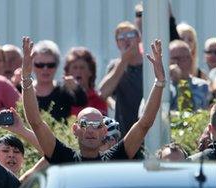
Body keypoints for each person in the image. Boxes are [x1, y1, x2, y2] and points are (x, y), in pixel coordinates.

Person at [24, 37, 165, 164]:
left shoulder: (115, 158)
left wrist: (159, 82)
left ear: (104, 131)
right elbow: (36, 122)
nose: (90, 130)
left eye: (96, 125)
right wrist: (26, 79)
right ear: (75, 129)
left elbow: (144, 123)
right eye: (85, 124)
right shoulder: (64, 158)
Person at [99, 22, 146, 136]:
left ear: (139, 38)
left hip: (148, 127)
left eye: (130, 36)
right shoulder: (115, 66)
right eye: (121, 38)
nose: (126, 40)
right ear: (117, 43)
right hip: (125, 132)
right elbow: (102, 93)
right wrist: (123, 61)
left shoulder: (148, 64)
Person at [27, 40, 87, 121]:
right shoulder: (24, 90)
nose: (45, 69)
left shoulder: (63, 90)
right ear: (32, 66)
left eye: (50, 65)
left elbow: (82, 102)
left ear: (57, 66)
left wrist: (76, 88)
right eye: (40, 65)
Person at [168, 39, 211, 112]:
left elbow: (187, 113)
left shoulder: (203, 87)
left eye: (182, 59)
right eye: (174, 58)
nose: (177, 63)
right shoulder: (160, 86)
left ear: (191, 60)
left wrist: (182, 81)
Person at [65, 47, 108, 116]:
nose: (78, 71)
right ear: (67, 72)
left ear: (90, 72)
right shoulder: (61, 96)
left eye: (82, 68)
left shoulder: (97, 100)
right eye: (74, 67)